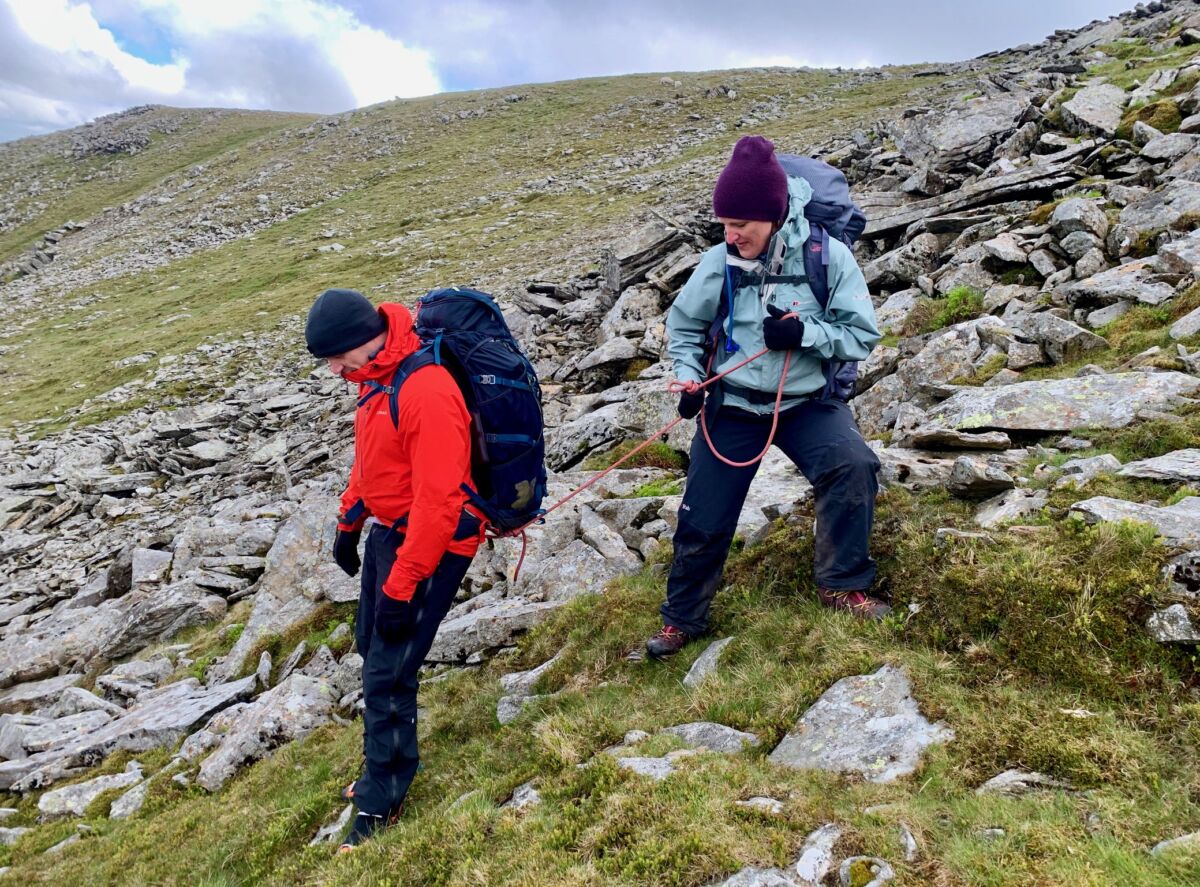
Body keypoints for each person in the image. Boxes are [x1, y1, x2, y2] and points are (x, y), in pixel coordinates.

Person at [646, 136, 888, 661]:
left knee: (853, 467)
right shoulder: (719, 261)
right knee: (702, 516)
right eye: (725, 226)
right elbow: (684, 327)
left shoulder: (829, 256)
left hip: (806, 403)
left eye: (741, 226)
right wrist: (689, 378)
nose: (731, 236)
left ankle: (842, 585)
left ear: (773, 214)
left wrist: (805, 334)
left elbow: (862, 336)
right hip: (730, 404)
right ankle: (682, 619)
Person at [304, 288, 483, 849]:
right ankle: (389, 763)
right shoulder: (377, 379)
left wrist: (403, 587)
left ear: (362, 340)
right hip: (392, 534)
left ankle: (385, 793)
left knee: (388, 670)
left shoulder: (424, 388)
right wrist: (349, 520)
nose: (333, 370)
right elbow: (373, 458)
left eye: (335, 358)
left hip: (432, 544)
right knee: (371, 645)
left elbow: (439, 501)